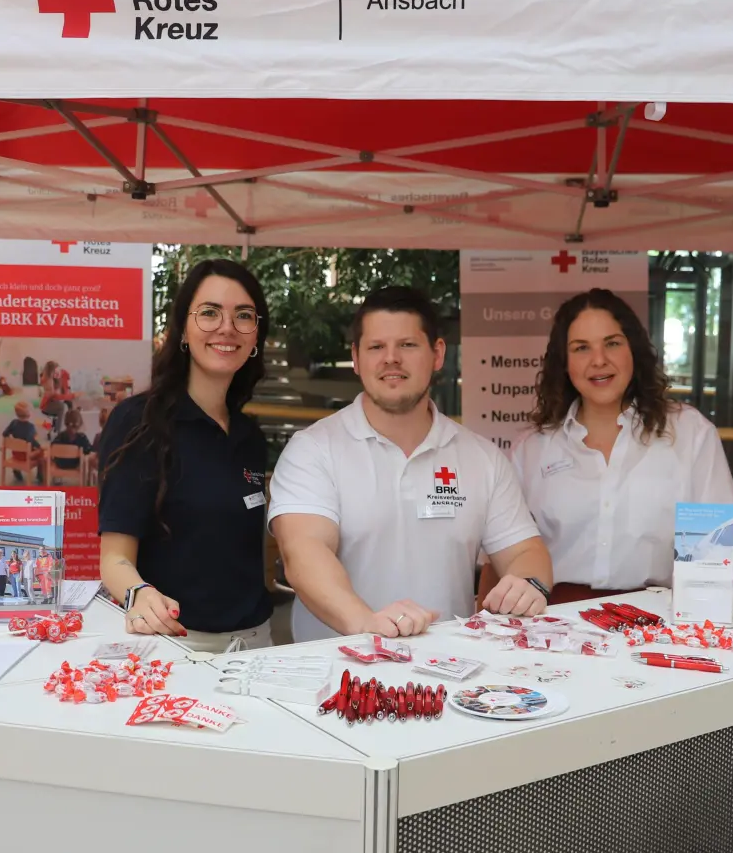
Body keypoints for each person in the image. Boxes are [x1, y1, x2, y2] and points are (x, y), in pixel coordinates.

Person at [270, 286, 554, 643]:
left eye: (407, 345)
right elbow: (304, 552)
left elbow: (527, 551)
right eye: (376, 347)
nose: (391, 359)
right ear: (356, 358)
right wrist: (367, 624)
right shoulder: (313, 450)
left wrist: (528, 584)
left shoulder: (481, 457)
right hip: (338, 675)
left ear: (437, 354)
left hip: (449, 671)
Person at [495, 289, 733, 605]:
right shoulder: (531, 449)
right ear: (564, 362)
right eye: (581, 348)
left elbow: (724, 547)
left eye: (612, 343)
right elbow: (502, 555)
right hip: (553, 621)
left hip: (661, 618)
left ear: (634, 351)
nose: (599, 360)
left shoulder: (690, 433)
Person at [98, 259, 275, 652]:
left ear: (256, 334)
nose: (226, 327)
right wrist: (139, 594)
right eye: (209, 313)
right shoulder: (138, 423)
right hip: (173, 643)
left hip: (256, 642)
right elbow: (113, 558)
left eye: (243, 315)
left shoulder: (249, 436)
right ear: (183, 329)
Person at [2, 400, 45, 484]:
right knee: (42, 454)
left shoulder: (13, 423)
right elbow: (31, 441)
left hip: (16, 453)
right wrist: (40, 447)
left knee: (24, 448)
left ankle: (16, 469)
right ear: (29, 414)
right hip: (26, 456)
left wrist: (12, 441)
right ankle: (40, 475)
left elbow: (5, 434)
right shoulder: (30, 427)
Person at [51, 409, 94, 476]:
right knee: (88, 458)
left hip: (60, 464)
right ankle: (87, 480)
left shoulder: (60, 436)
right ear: (80, 424)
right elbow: (88, 450)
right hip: (74, 465)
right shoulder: (82, 438)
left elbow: (52, 447)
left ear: (65, 423)